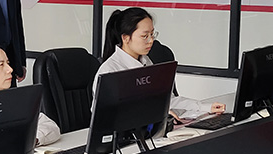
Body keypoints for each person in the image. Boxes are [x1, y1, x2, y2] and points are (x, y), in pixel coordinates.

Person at [94, 7, 226, 120]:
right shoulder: (109, 71)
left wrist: (205, 107)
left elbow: (166, 100)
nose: (151, 40)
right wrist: (155, 114)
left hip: (148, 130)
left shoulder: (146, 61)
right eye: (145, 36)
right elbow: (106, 115)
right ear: (125, 38)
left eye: (152, 34)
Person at [0, 42, 60, 146]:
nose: (10, 69)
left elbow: (51, 127)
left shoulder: (13, 99)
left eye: (8, 63)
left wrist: (30, 139)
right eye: (1, 65)